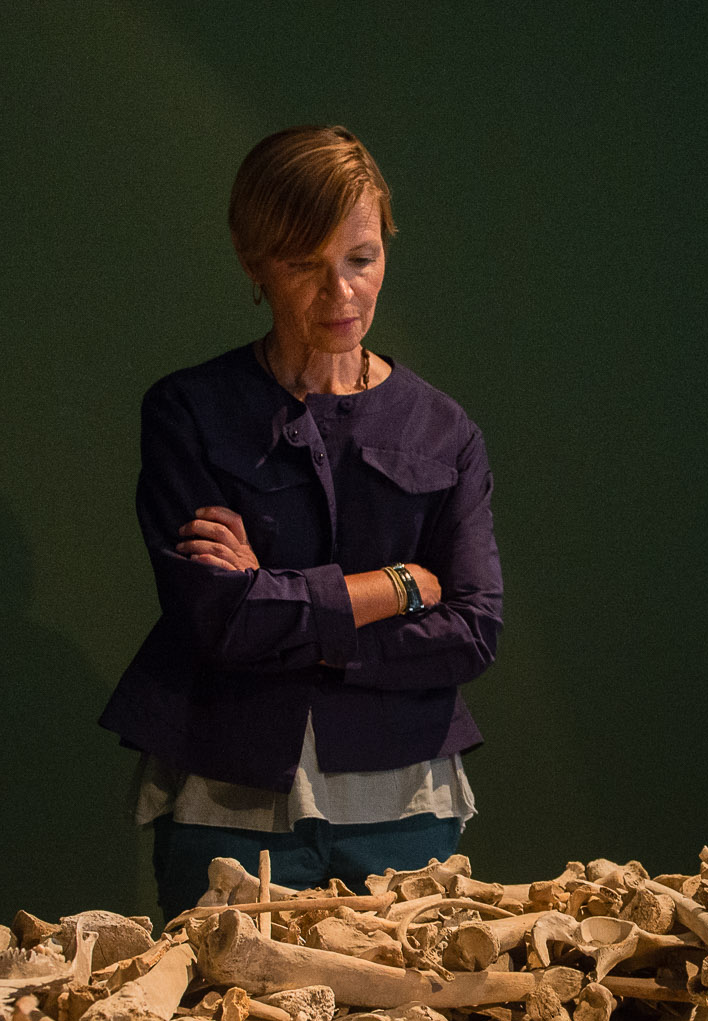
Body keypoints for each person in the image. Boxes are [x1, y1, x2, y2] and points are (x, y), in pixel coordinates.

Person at [100, 125, 503, 920]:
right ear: (255, 263)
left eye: (360, 259)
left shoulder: (442, 429)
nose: (342, 294)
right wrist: (396, 586)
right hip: (227, 802)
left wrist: (275, 598)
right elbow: (218, 622)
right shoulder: (190, 412)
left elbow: (474, 629)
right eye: (303, 266)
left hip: (405, 808)